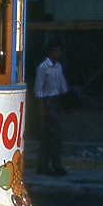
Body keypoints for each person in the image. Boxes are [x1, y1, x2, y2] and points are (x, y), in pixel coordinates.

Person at [34, 40, 70, 176]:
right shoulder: (43, 67)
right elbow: (38, 89)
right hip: (48, 102)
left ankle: (43, 165)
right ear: (49, 52)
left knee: (48, 136)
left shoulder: (58, 67)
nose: (58, 54)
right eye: (55, 51)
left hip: (57, 101)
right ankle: (56, 164)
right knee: (55, 134)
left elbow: (62, 85)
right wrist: (41, 107)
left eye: (59, 51)